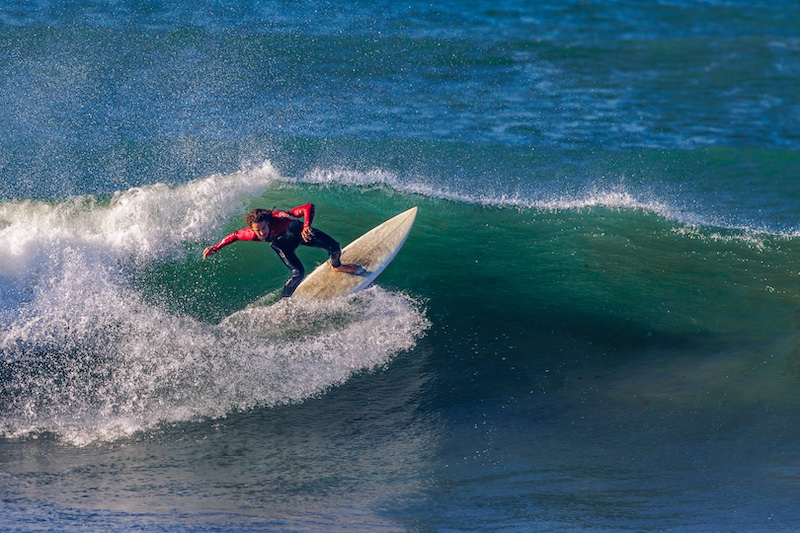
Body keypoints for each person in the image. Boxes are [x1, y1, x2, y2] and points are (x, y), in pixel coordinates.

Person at [203, 204, 361, 298]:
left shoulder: (280, 218)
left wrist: (306, 226)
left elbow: (308, 207)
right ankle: (284, 303)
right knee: (298, 272)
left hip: (300, 234)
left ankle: (337, 265)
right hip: (282, 245)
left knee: (334, 247)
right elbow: (235, 235)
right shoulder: (252, 234)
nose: (262, 233)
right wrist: (215, 248)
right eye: (257, 230)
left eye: (264, 228)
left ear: (268, 222)